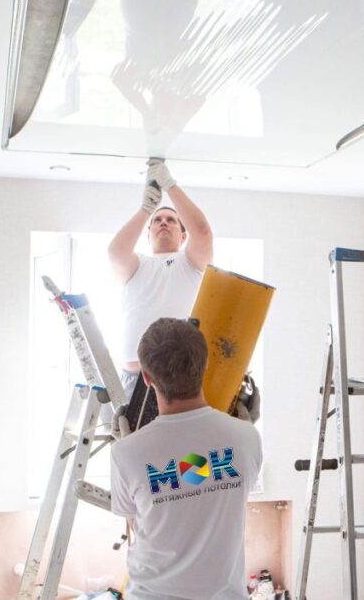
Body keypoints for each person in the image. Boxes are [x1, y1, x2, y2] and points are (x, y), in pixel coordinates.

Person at [110, 318, 262, 600]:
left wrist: (138, 455)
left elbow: (137, 523)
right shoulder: (247, 437)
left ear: (146, 377)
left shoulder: (126, 453)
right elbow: (224, 491)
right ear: (204, 366)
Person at [108, 161, 213, 409]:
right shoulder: (137, 265)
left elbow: (202, 232)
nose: (163, 222)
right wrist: (146, 209)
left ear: (183, 236)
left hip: (181, 382)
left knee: (185, 439)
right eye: (157, 220)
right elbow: (115, 253)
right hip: (135, 381)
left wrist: (170, 185)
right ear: (148, 234)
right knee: (129, 435)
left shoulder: (191, 262)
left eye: (171, 220)